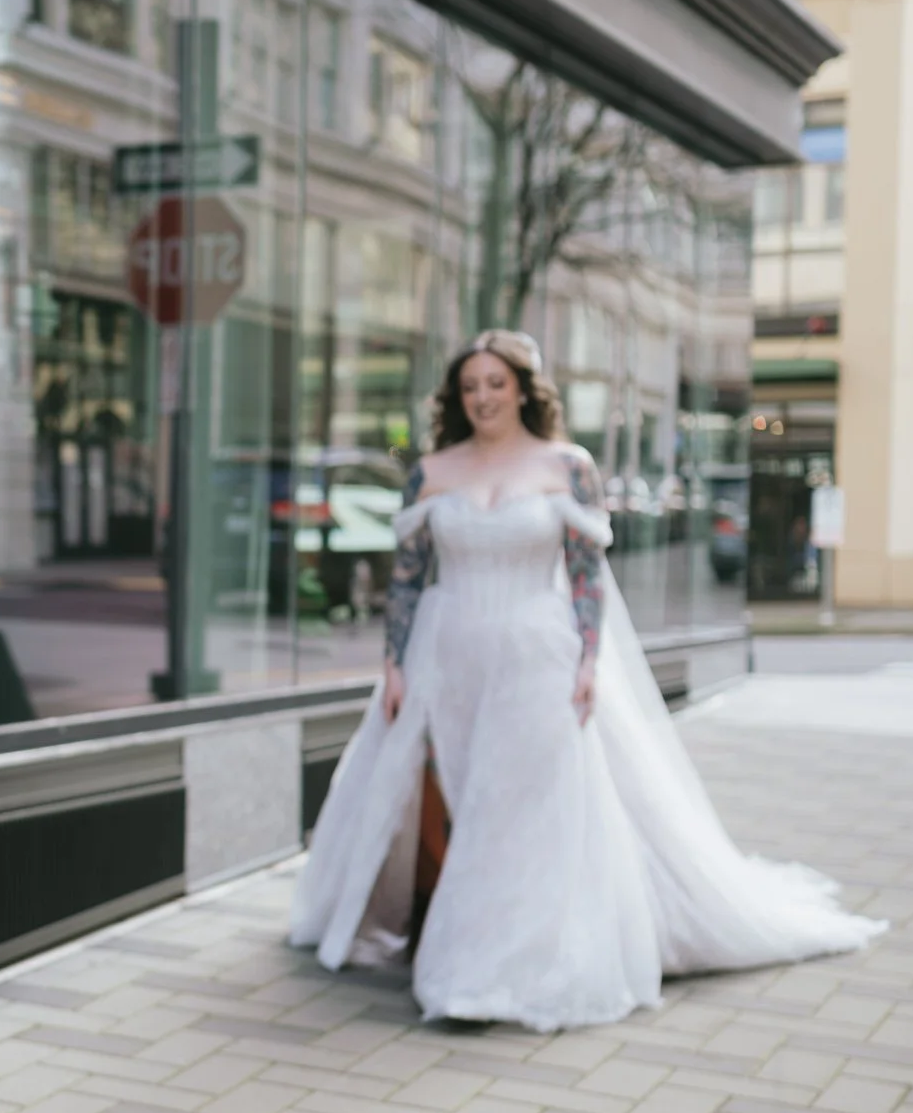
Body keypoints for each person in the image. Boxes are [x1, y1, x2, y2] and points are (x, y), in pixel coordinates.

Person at [289, 330, 879, 1031]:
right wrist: (393, 664)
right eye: (470, 386)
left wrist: (589, 660)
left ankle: (487, 971)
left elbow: (584, 576)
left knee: (512, 805)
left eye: (496, 383)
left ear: (523, 390)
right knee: (466, 798)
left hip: (538, 653)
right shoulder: (432, 471)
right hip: (446, 659)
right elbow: (409, 580)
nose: (482, 397)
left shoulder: (568, 466)